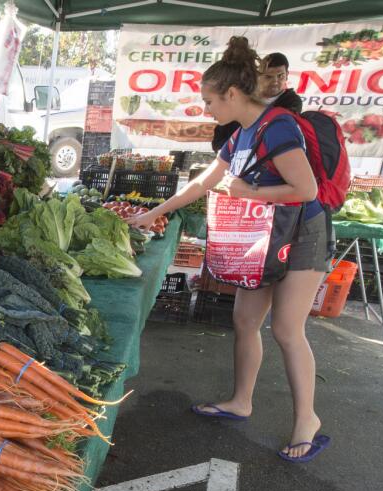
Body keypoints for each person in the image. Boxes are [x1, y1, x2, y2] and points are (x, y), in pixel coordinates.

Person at [130, 37, 332, 463]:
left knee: (286, 329)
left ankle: (307, 422)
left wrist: (250, 190)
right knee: (243, 319)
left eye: (209, 101)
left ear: (233, 94)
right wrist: (153, 213)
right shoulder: (240, 135)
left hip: (304, 233)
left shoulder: (278, 126)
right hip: (268, 234)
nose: (207, 110)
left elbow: (306, 189)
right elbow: (202, 183)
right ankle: (242, 400)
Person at [211, 52, 302, 153]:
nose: (275, 81)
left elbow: (279, 135)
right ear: (258, 77)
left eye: (280, 76)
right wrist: (224, 152)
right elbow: (220, 136)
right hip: (232, 158)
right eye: (269, 77)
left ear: (287, 75)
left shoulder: (292, 102)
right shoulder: (243, 98)